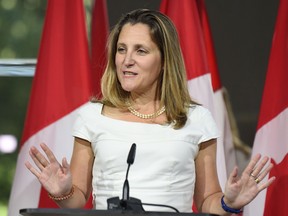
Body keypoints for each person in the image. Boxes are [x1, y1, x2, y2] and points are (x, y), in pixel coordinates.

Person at [25, 9, 275, 215]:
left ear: (165, 60)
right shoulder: (92, 116)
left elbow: (207, 199)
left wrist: (228, 203)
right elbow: (77, 199)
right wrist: (62, 192)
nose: (126, 60)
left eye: (140, 51)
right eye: (121, 49)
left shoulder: (197, 119)